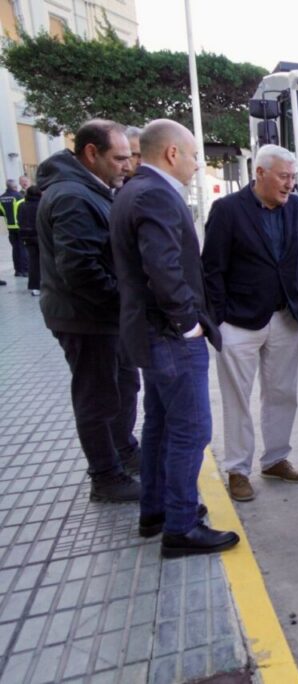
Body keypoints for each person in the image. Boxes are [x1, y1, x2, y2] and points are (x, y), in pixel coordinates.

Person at [111, 119, 239, 557]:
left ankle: (156, 512)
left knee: (161, 425)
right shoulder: (155, 194)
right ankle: (181, 527)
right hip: (170, 336)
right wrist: (189, 323)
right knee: (191, 429)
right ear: (171, 154)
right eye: (193, 155)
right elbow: (163, 268)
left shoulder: (134, 190)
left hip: (150, 334)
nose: (196, 163)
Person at [202, 144, 298, 502]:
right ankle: (238, 469)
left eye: (293, 177)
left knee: (283, 393)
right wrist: (218, 321)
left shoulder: (297, 208)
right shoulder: (227, 210)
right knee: (237, 398)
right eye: (284, 176)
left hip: (285, 317)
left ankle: (276, 459)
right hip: (238, 321)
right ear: (260, 173)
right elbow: (212, 269)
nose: (290, 184)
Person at [35, 120, 140, 502]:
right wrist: (125, 301)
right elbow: (80, 269)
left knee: (124, 384)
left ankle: (124, 451)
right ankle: (106, 476)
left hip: (104, 316)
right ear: (91, 154)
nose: (126, 166)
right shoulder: (72, 197)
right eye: (119, 158)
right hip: (86, 319)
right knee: (98, 396)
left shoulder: (93, 189)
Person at [16, 185, 42, 295]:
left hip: (26, 236)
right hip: (40, 236)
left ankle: (35, 287)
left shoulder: (22, 205)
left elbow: (19, 218)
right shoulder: (41, 204)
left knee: (33, 261)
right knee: (45, 260)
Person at [1, 178, 28, 277]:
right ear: (15, 187)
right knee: (23, 248)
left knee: (15, 249)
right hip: (20, 226)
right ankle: (25, 270)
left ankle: (18, 270)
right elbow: (25, 210)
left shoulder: (1, 198)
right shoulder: (19, 196)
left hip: (10, 227)